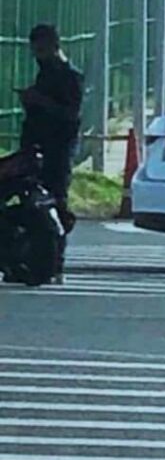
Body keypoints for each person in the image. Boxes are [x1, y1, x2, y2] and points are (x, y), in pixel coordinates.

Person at [17, 24, 83, 284]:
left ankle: (57, 261)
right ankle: (33, 256)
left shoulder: (69, 76)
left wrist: (40, 101)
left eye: (42, 49)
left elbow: (71, 114)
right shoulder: (44, 73)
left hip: (58, 148)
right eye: (35, 50)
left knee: (56, 200)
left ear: (55, 45)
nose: (38, 55)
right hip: (37, 145)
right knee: (32, 200)